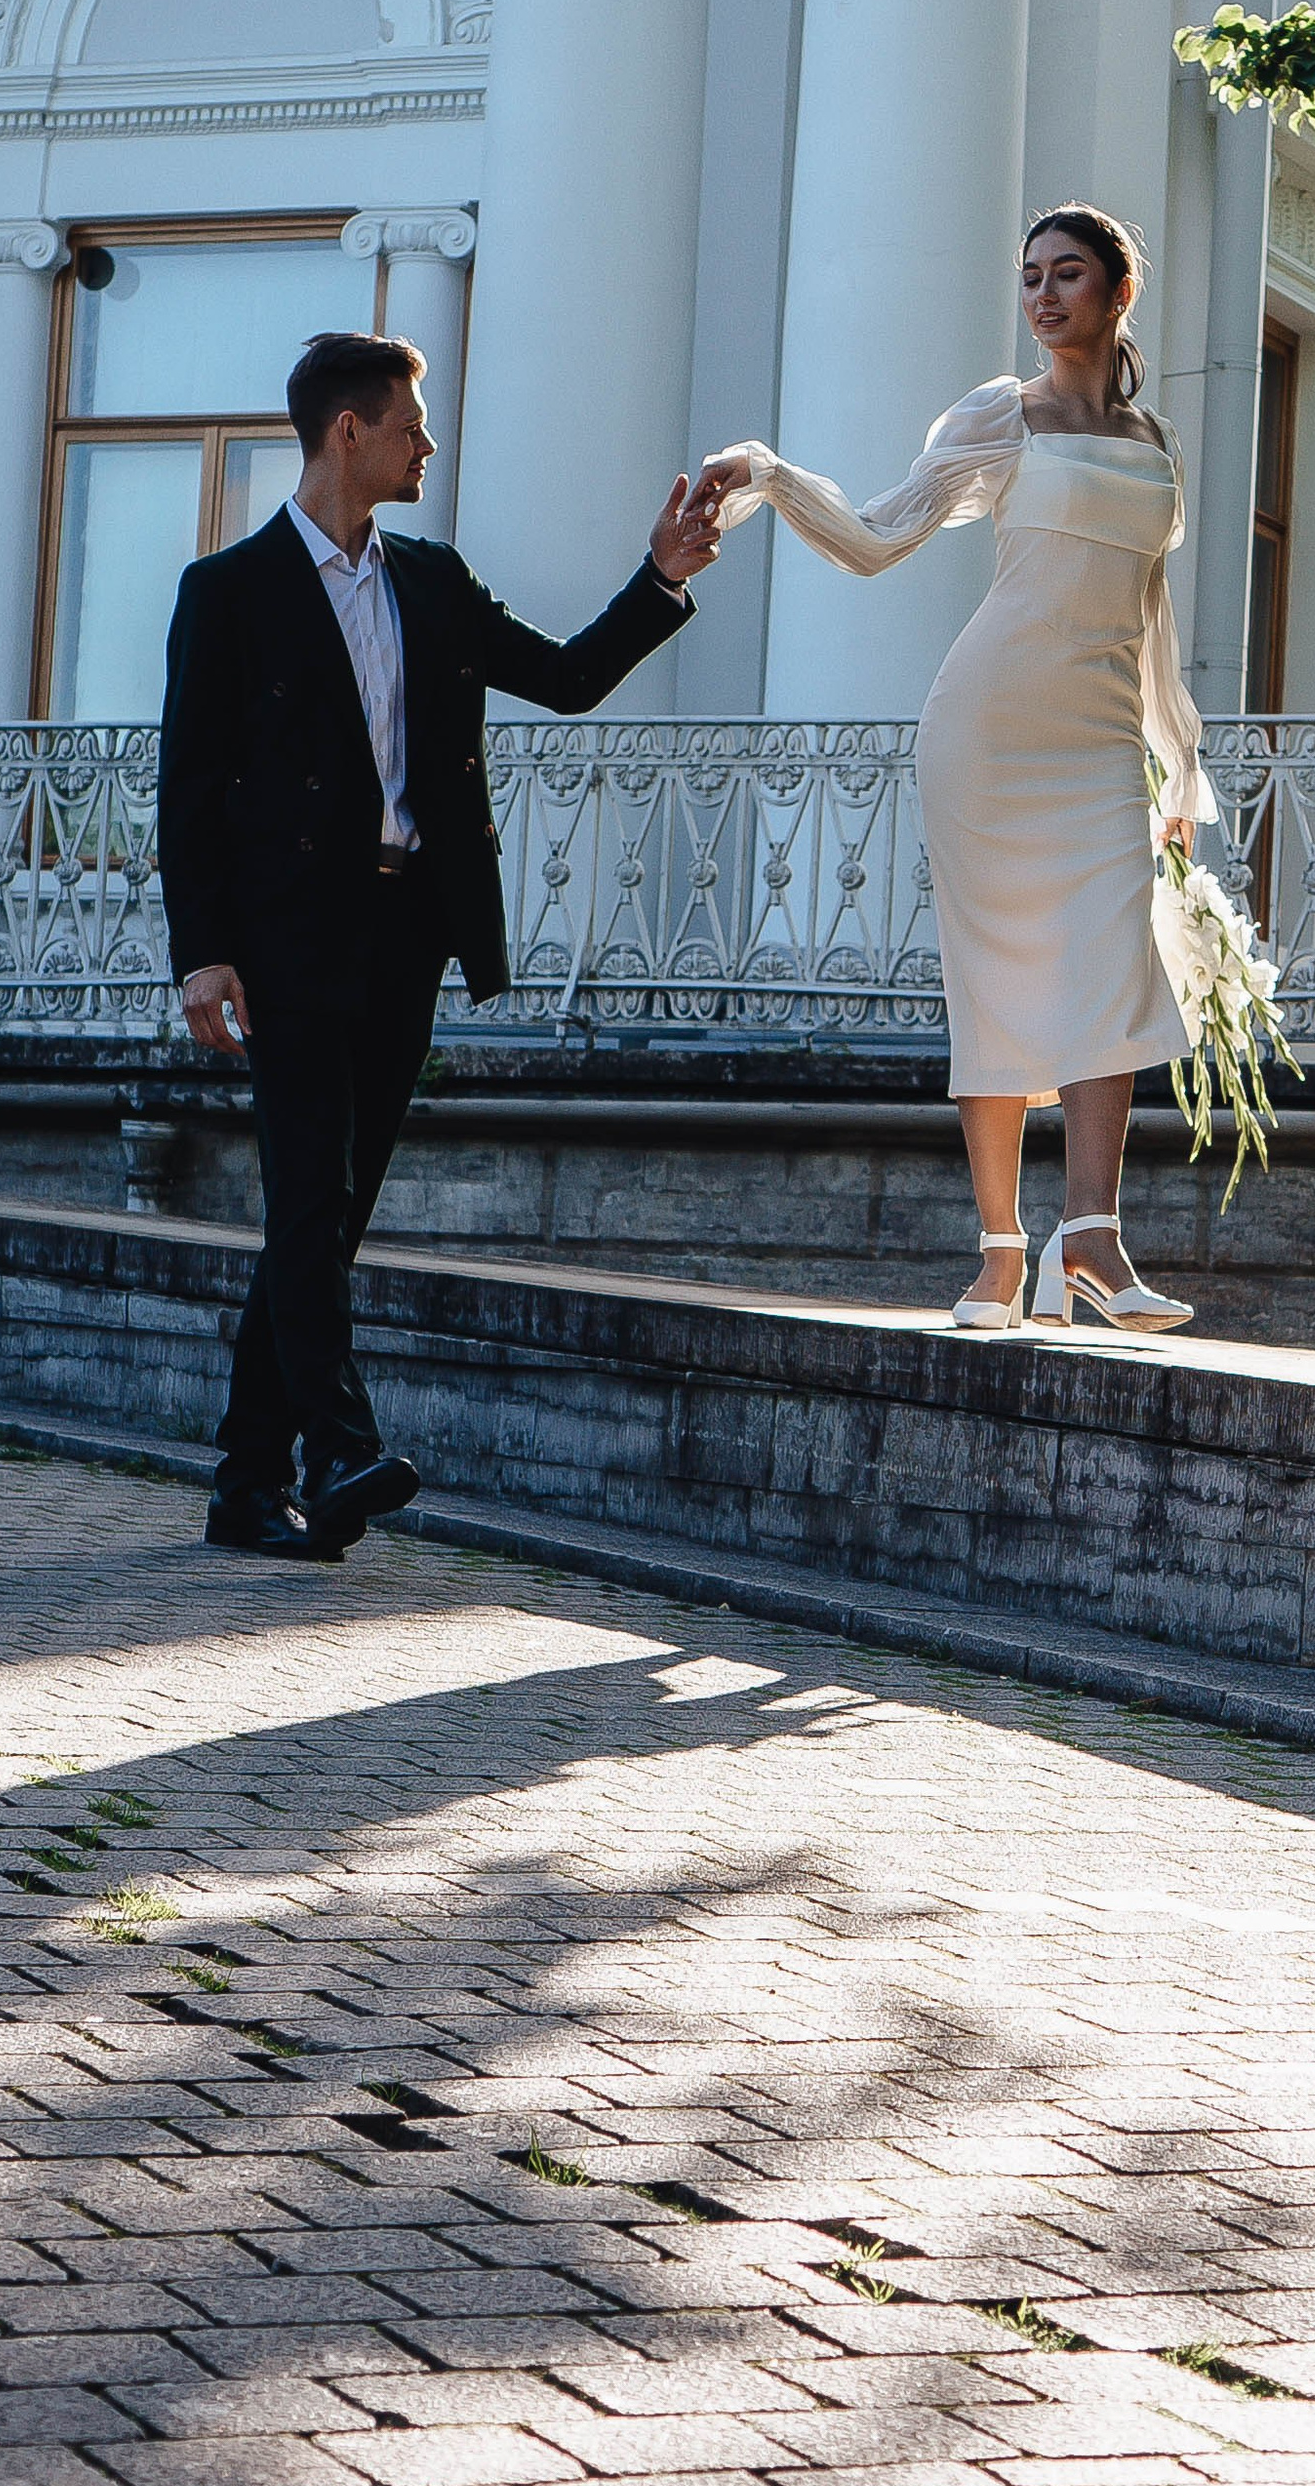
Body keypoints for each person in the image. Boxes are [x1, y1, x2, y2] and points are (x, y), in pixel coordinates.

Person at [159, 330, 722, 1559]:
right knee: (307, 1194)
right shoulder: (229, 593)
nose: (428, 442)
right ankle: (341, 1447)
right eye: (411, 422)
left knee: (334, 1211)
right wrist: (201, 954)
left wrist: (661, 576)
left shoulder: (433, 579)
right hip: (286, 939)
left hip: (408, 925)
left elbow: (568, 678)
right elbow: (188, 790)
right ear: (347, 431)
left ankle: (250, 1486)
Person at [703, 206, 1210, 1335]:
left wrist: (1177, 766)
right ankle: (996, 1256)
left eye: (1066, 274)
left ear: (1119, 291)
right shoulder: (1002, 414)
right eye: (1028, 275)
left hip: (1096, 740)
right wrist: (775, 477)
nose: (1041, 294)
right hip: (988, 730)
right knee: (995, 979)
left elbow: (1150, 613)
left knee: (1113, 973)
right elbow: (880, 537)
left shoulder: (1154, 441)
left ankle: (1094, 1244)